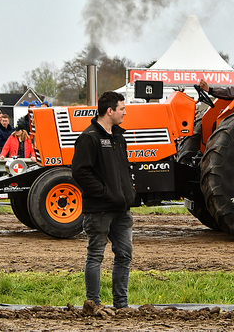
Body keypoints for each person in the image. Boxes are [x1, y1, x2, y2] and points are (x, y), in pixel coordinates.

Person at [71, 91, 136, 309]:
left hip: (122, 209)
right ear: (110, 111)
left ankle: (121, 304)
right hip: (99, 209)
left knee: (124, 255)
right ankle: (94, 305)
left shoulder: (118, 137)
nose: (125, 113)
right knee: (96, 255)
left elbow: (123, 169)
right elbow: (80, 173)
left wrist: (128, 192)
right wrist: (105, 193)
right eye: (122, 109)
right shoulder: (89, 138)